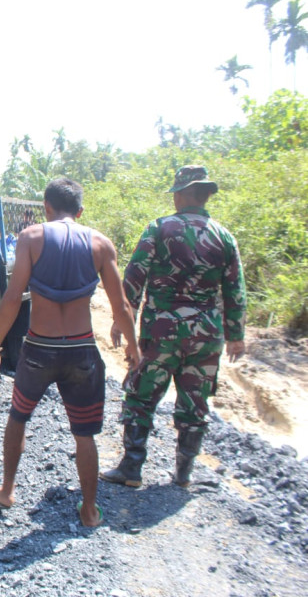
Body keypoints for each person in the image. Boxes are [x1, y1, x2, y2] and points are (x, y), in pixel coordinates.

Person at [0, 178, 140, 527]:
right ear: (80, 211)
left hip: (39, 349)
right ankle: (88, 510)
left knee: (18, 417)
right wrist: (134, 349)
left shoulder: (31, 238)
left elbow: (12, 299)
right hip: (81, 350)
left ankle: (7, 491)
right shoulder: (100, 243)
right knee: (84, 435)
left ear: (46, 207)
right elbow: (122, 306)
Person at [102, 165, 246, 489]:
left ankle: (131, 468)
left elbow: (134, 278)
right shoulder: (225, 237)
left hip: (161, 335)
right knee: (196, 403)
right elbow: (235, 290)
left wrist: (120, 321)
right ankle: (183, 475)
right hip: (206, 337)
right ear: (206, 195)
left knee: (141, 396)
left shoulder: (159, 229)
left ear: (181, 195)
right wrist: (236, 337)